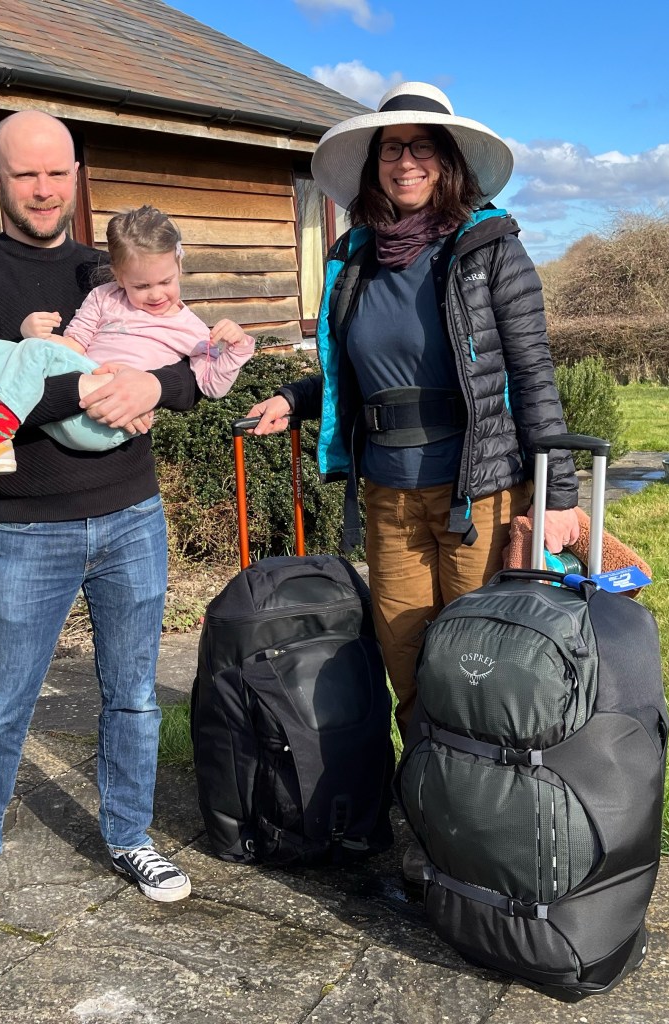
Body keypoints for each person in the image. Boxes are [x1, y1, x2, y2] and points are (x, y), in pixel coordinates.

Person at [0, 110, 203, 944]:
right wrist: (123, 379)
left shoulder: (110, 269)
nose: (45, 189)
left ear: (77, 175)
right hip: (30, 528)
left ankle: (130, 838)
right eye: (26, 174)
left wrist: (157, 386)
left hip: (133, 515)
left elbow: (188, 354)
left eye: (58, 172)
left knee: (134, 698)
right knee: (1, 704)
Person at [247, 82, 580, 739]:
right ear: (374, 165)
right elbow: (358, 371)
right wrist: (295, 397)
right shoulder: (354, 261)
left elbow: (532, 374)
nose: (406, 161)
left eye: (422, 147)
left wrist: (560, 493)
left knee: (480, 660)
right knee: (405, 659)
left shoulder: (490, 250)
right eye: (392, 148)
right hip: (389, 496)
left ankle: (483, 804)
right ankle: (428, 792)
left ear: (448, 161)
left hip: (478, 492)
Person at [0, 206, 254, 475]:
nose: (155, 294)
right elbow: (75, 347)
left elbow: (210, 385)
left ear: (179, 264)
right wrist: (28, 339)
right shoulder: (103, 298)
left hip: (109, 423)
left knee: (24, 352)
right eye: (140, 285)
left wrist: (235, 347)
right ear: (117, 274)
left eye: (165, 281)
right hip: (74, 405)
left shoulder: (189, 327)